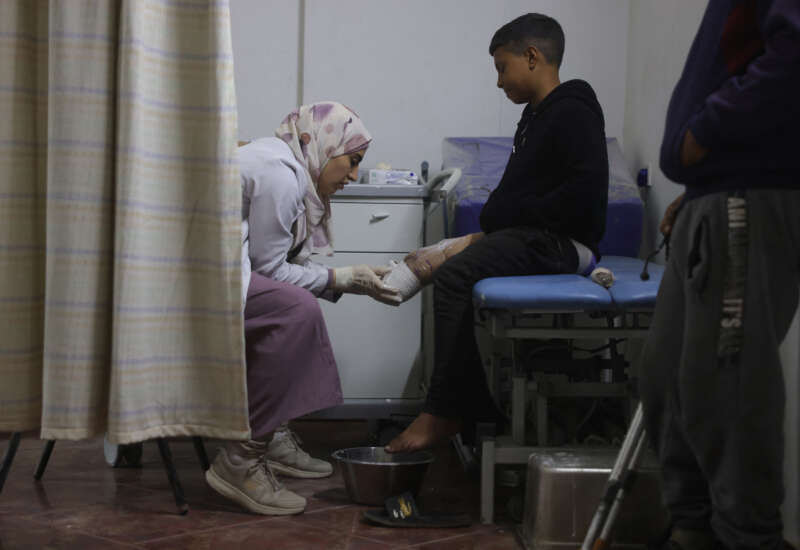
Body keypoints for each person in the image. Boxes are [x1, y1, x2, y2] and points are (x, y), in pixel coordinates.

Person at [386, 13, 609, 453]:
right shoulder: (535, 118)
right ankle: (473, 409)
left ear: (532, 57)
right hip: (536, 237)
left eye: (502, 68)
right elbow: (505, 201)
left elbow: (581, 201)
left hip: (564, 245)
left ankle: (445, 412)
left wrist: (505, 216)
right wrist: (496, 220)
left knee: (451, 277)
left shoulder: (574, 110)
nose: (498, 82)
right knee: (448, 267)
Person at [638, 1, 800, 549]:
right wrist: (700, 182)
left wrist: (707, 133)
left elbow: (792, 55)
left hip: (747, 195)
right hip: (715, 194)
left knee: (727, 387)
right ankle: (693, 529)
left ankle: (748, 537)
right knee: (666, 379)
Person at [205, 102, 401, 516]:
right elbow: (271, 270)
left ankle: (269, 432)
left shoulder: (283, 164)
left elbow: (277, 263)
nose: (352, 176)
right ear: (324, 147)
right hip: (195, 282)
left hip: (210, 274)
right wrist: (343, 279)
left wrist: (346, 277)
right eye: (351, 162)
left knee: (290, 307)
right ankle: (241, 458)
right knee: (295, 311)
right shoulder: (282, 176)